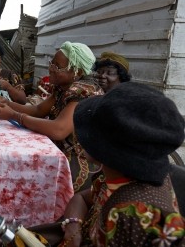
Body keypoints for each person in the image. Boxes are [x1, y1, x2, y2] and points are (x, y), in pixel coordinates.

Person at [58, 82, 185, 247]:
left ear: (106, 148)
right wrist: (73, 225)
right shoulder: (119, 175)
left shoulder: (139, 218)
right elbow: (82, 197)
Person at [0, 41, 103, 192]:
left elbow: (58, 130)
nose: (51, 68)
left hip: (76, 162)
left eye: (57, 66)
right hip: (58, 150)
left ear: (78, 72)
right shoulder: (62, 87)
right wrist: (8, 104)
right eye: (52, 63)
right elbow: (38, 109)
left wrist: (14, 115)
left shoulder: (83, 93)